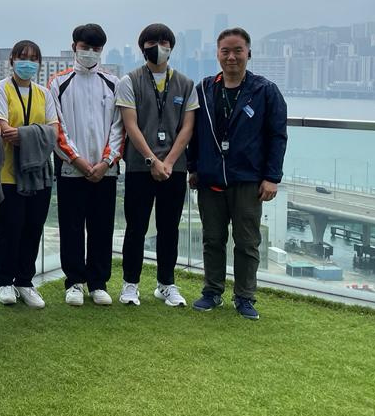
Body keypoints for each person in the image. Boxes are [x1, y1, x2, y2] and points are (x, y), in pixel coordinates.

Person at [187, 27, 288, 320]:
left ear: (249, 53)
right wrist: (193, 167)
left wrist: (272, 177)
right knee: (212, 239)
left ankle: (244, 297)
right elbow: (192, 132)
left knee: (246, 242)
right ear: (217, 55)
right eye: (225, 51)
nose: (231, 57)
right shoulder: (205, 89)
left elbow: (277, 136)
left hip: (248, 180)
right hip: (210, 179)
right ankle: (212, 291)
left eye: (237, 51)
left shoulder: (264, 91)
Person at [116, 23, 198, 309]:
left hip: (174, 169)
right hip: (140, 166)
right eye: (152, 43)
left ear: (171, 47)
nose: (158, 48)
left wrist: (169, 162)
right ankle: (130, 284)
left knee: (169, 228)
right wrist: (152, 159)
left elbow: (187, 127)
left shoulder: (186, 84)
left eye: (164, 42)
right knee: (135, 227)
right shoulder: (130, 81)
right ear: (143, 48)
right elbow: (130, 125)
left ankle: (166, 284)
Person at [51, 24, 124, 307]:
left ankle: (98, 283)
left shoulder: (113, 83)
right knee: (71, 227)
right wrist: (78, 160)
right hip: (72, 169)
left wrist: (106, 161)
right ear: (74, 47)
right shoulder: (58, 83)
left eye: (96, 48)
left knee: (102, 227)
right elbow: (57, 127)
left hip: (105, 170)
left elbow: (119, 127)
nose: (90, 53)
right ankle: (74, 282)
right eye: (85, 47)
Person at [0, 40, 59, 309]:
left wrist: (24, 134)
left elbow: (54, 132)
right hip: (7, 173)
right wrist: (37, 134)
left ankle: (25, 281)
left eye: (33, 58)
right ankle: (4, 281)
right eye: (22, 57)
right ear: (12, 61)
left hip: (39, 173)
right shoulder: (0, 89)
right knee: (10, 228)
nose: (27, 63)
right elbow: (3, 129)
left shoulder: (44, 93)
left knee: (33, 227)